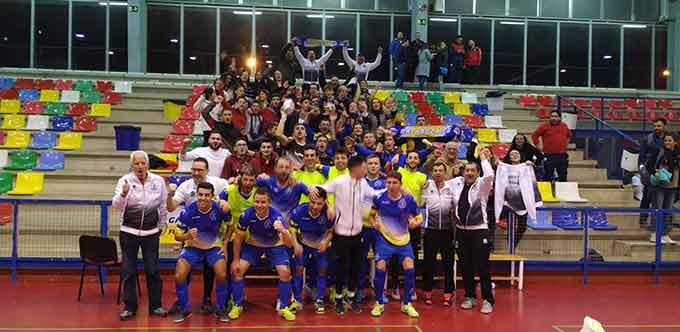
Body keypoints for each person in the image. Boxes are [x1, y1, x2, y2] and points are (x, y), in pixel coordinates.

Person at [309, 156, 383, 315]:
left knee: (355, 267)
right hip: (340, 234)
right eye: (363, 167)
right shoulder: (339, 181)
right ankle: (338, 300)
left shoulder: (363, 183)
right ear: (355, 168)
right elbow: (321, 189)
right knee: (340, 268)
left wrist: (393, 190)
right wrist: (310, 189)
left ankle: (350, 297)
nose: (365, 170)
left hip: (358, 233)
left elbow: (375, 194)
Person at [166, 158, 229, 314]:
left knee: (215, 271)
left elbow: (231, 188)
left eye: (200, 170)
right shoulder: (186, 189)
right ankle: (183, 304)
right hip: (192, 239)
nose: (196, 172)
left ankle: (211, 301)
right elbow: (172, 207)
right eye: (194, 169)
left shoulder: (218, 183)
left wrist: (224, 202)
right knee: (182, 273)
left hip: (212, 242)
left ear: (207, 171)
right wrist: (169, 196)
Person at [112, 150, 168, 321]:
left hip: (151, 233)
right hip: (128, 232)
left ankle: (156, 306)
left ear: (147, 165)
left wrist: (162, 224)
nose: (140, 166)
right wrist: (123, 194)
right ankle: (129, 307)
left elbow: (163, 204)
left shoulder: (158, 181)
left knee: (153, 270)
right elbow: (116, 206)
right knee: (128, 271)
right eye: (136, 163)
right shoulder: (125, 180)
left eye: (143, 163)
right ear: (132, 165)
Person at [229, 187, 297, 321]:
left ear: (269, 203)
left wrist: (283, 231)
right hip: (253, 247)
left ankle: (283, 307)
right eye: (257, 202)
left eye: (263, 202)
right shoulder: (246, 215)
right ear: (253, 202)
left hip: (275, 247)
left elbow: (289, 244)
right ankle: (237, 304)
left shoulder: (276, 217)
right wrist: (235, 260)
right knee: (237, 270)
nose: (259, 205)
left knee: (285, 272)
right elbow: (238, 239)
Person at [368, 171, 422, 318]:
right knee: (380, 266)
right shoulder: (379, 198)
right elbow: (371, 215)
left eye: (394, 183)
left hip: (403, 240)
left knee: (409, 267)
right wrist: (375, 225)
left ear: (400, 184)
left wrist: (414, 223)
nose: (391, 186)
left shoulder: (409, 199)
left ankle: (407, 304)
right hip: (384, 240)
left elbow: (419, 217)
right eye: (388, 183)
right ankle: (379, 303)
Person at [450, 149, 495, 314]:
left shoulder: (483, 185)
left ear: (477, 173)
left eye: (472, 171)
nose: (469, 172)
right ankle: (470, 296)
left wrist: (484, 159)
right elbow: (439, 182)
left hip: (479, 232)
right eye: (467, 170)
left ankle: (488, 299)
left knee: (483, 267)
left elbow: (490, 175)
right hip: (461, 232)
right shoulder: (457, 183)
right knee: (466, 266)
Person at [288, 188, 335, 314]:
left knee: (322, 270)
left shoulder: (329, 214)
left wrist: (325, 242)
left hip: (320, 246)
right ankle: (297, 300)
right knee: (298, 269)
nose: (315, 206)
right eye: (313, 202)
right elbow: (292, 229)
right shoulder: (299, 211)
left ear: (325, 202)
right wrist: (296, 244)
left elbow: (331, 231)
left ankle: (319, 299)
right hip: (303, 244)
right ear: (309, 200)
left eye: (319, 203)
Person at [420, 162, 456, 306]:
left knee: (448, 264)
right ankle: (427, 292)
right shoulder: (427, 186)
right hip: (431, 231)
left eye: (441, 170)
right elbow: (420, 203)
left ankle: (448, 293)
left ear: (445, 172)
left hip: (447, 232)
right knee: (429, 263)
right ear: (432, 172)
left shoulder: (450, 187)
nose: (438, 173)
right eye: (435, 170)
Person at [357, 154, 387, 303]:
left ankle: (380, 292)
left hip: (379, 228)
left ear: (379, 166)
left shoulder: (385, 184)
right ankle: (360, 290)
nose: (373, 166)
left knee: (381, 260)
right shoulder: (359, 182)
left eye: (376, 163)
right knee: (361, 260)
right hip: (362, 227)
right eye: (370, 163)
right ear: (366, 166)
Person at [499, 149, 537, 250]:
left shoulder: (526, 166)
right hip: (508, 202)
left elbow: (533, 180)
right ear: (509, 157)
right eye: (512, 154)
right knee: (510, 227)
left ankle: (512, 246)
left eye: (517, 154)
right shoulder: (504, 168)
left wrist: (531, 166)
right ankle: (511, 247)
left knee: (522, 227)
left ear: (520, 156)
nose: (514, 155)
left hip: (523, 202)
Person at [647, 132, 679, 244]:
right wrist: (655, 173)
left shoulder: (677, 154)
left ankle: (665, 234)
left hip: (673, 186)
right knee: (658, 209)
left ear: (675, 142)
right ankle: (654, 234)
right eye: (665, 140)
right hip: (659, 186)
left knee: (668, 211)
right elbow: (649, 165)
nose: (667, 143)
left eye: (670, 141)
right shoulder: (659, 152)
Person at [639, 119, 667, 227]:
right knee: (647, 196)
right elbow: (642, 155)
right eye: (655, 126)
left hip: (664, 172)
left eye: (659, 126)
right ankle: (643, 219)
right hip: (650, 171)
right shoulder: (648, 138)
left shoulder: (669, 138)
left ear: (664, 126)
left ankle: (661, 222)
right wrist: (641, 168)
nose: (656, 128)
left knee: (662, 198)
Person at [532, 110, 572, 182]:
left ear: (560, 118)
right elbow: (534, 135)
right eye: (552, 116)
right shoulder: (544, 126)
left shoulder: (564, 125)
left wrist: (565, 145)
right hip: (549, 155)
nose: (553, 118)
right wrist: (538, 146)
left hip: (562, 155)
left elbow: (569, 136)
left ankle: (562, 192)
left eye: (556, 116)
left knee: (563, 175)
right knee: (548, 175)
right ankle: (547, 193)